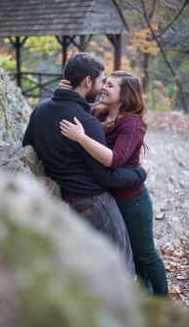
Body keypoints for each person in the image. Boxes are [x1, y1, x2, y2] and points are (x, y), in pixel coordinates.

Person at [22, 52, 150, 276]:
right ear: (88, 81)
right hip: (95, 204)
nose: (102, 87)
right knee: (122, 268)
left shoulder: (40, 110)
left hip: (66, 202)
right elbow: (107, 176)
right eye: (101, 81)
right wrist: (141, 173)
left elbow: (28, 148)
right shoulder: (88, 123)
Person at [58, 71, 168, 297]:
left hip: (132, 202)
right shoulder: (97, 113)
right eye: (105, 83)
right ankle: (144, 295)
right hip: (107, 200)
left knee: (145, 254)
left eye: (111, 85)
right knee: (129, 254)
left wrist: (81, 138)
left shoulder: (132, 123)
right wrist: (66, 94)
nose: (104, 88)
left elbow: (116, 159)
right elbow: (74, 109)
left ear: (125, 94)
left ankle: (163, 301)